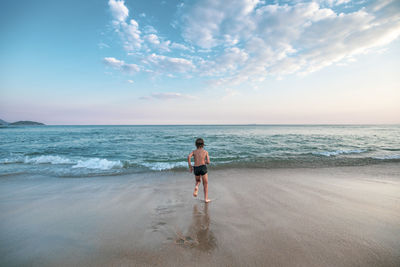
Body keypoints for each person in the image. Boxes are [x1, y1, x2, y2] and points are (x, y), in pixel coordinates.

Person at [187, 138, 211, 203]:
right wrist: (205, 161)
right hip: (203, 167)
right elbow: (208, 162)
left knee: (198, 181)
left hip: (196, 168)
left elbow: (189, 157)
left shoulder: (194, 152)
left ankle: (196, 186)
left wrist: (190, 166)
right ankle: (206, 199)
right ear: (203, 144)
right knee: (205, 184)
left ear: (196, 145)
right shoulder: (205, 152)